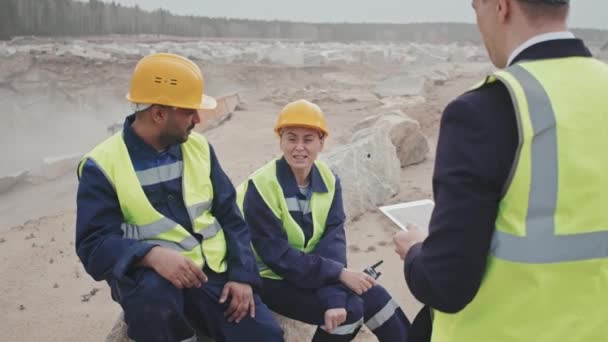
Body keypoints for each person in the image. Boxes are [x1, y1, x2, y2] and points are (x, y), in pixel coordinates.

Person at [393, 0, 608, 341]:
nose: (478, 20)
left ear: (502, 6)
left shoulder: (483, 111)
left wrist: (417, 250)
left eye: (475, 6)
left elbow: (444, 284)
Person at [75, 53, 283, 342]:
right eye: (189, 111)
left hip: (212, 275)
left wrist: (242, 275)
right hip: (150, 282)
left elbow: (231, 217)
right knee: (154, 308)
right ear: (159, 114)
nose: (198, 119)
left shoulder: (198, 148)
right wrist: (151, 256)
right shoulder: (103, 164)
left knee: (264, 336)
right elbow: (93, 245)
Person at [238, 99, 411, 341]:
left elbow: (333, 242)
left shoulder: (329, 181)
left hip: (311, 270)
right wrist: (339, 278)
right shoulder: (261, 187)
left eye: (308, 139)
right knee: (349, 313)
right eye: (291, 138)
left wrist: (334, 293)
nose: (299, 147)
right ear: (281, 141)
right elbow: (276, 256)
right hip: (269, 277)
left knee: (375, 296)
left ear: (321, 142)